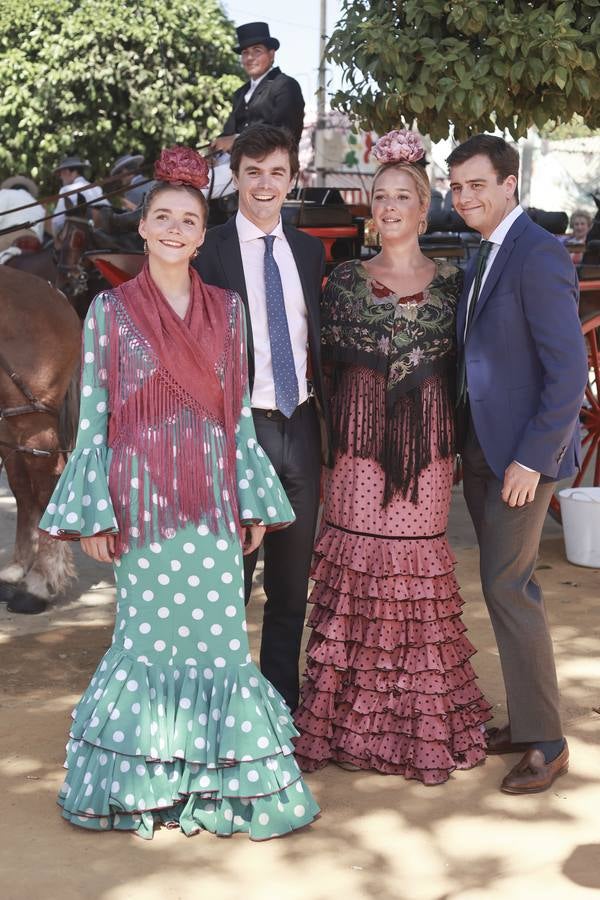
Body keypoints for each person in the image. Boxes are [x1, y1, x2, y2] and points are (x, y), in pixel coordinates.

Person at [39, 146, 319, 840]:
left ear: (202, 235)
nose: (173, 228)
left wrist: (252, 501)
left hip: (213, 499)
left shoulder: (229, 312)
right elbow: (96, 417)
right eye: (161, 216)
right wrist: (96, 511)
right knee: (145, 644)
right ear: (142, 228)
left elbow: (234, 418)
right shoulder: (107, 310)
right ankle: (144, 783)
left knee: (221, 646)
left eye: (187, 220)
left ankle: (219, 780)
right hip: (141, 501)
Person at [293, 130, 491, 784]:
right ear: (369, 206)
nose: (390, 206)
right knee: (356, 565)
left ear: (423, 203)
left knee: (414, 574)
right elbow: (321, 368)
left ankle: (416, 728)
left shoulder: (454, 285)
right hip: (354, 449)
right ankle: (346, 724)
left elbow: (469, 373)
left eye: (403, 195)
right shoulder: (344, 281)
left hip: (426, 454)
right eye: (380, 196)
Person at [447, 134, 588, 794]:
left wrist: (534, 460)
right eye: (456, 187)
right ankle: (529, 721)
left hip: (520, 459)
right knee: (502, 586)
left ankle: (550, 743)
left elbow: (569, 371)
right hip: (483, 447)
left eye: (477, 184)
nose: (464, 196)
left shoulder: (538, 254)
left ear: (511, 185)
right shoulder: (485, 254)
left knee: (510, 587)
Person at [194, 124, 331, 713]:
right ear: (236, 177)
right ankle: (223, 714)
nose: (265, 184)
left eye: (277, 172)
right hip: (237, 433)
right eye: (253, 172)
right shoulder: (210, 250)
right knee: (230, 586)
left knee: (289, 590)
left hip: (299, 427)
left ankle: (280, 711)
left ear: (292, 180)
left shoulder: (307, 250)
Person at [211, 22, 305, 154]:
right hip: (236, 163)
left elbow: (286, 134)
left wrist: (237, 140)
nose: (250, 57)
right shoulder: (240, 93)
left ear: (271, 54)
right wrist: (215, 151)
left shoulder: (286, 85)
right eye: (245, 52)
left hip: (271, 164)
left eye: (257, 51)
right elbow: (228, 134)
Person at [52, 154, 109, 236]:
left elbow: (57, 222)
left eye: (61, 174)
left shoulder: (66, 190)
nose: (61, 178)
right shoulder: (96, 188)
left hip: (86, 236)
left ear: (67, 172)